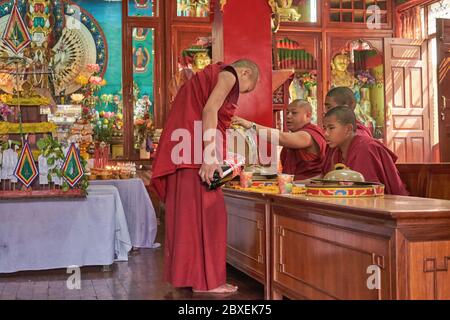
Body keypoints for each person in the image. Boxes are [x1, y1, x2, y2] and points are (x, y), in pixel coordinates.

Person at [151, 59, 259, 294]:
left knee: (189, 221)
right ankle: (209, 282)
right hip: (195, 154)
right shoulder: (229, 74)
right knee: (211, 217)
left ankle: (192, 278)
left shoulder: (212, 76)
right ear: (245, 72)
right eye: (245, 88)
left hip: (185, 153)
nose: (237, 95)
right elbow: (210, 109)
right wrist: (210, 156)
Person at [232, 99, 326, 181]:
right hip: (290, 184)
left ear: (308, 115)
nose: (288, 116)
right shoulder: (295, 135)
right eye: (287, 112)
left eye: (294, 113)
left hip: (307, 186)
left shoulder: (308, 135)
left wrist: (251, 125)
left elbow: (281, 137)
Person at [322, 106, 408, 195]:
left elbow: (366, 189)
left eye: (331, 128)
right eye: (324, 128)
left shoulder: (365, 148)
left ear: (348, 129)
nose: (325, 133)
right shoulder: (336, 151)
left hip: (383, 202)